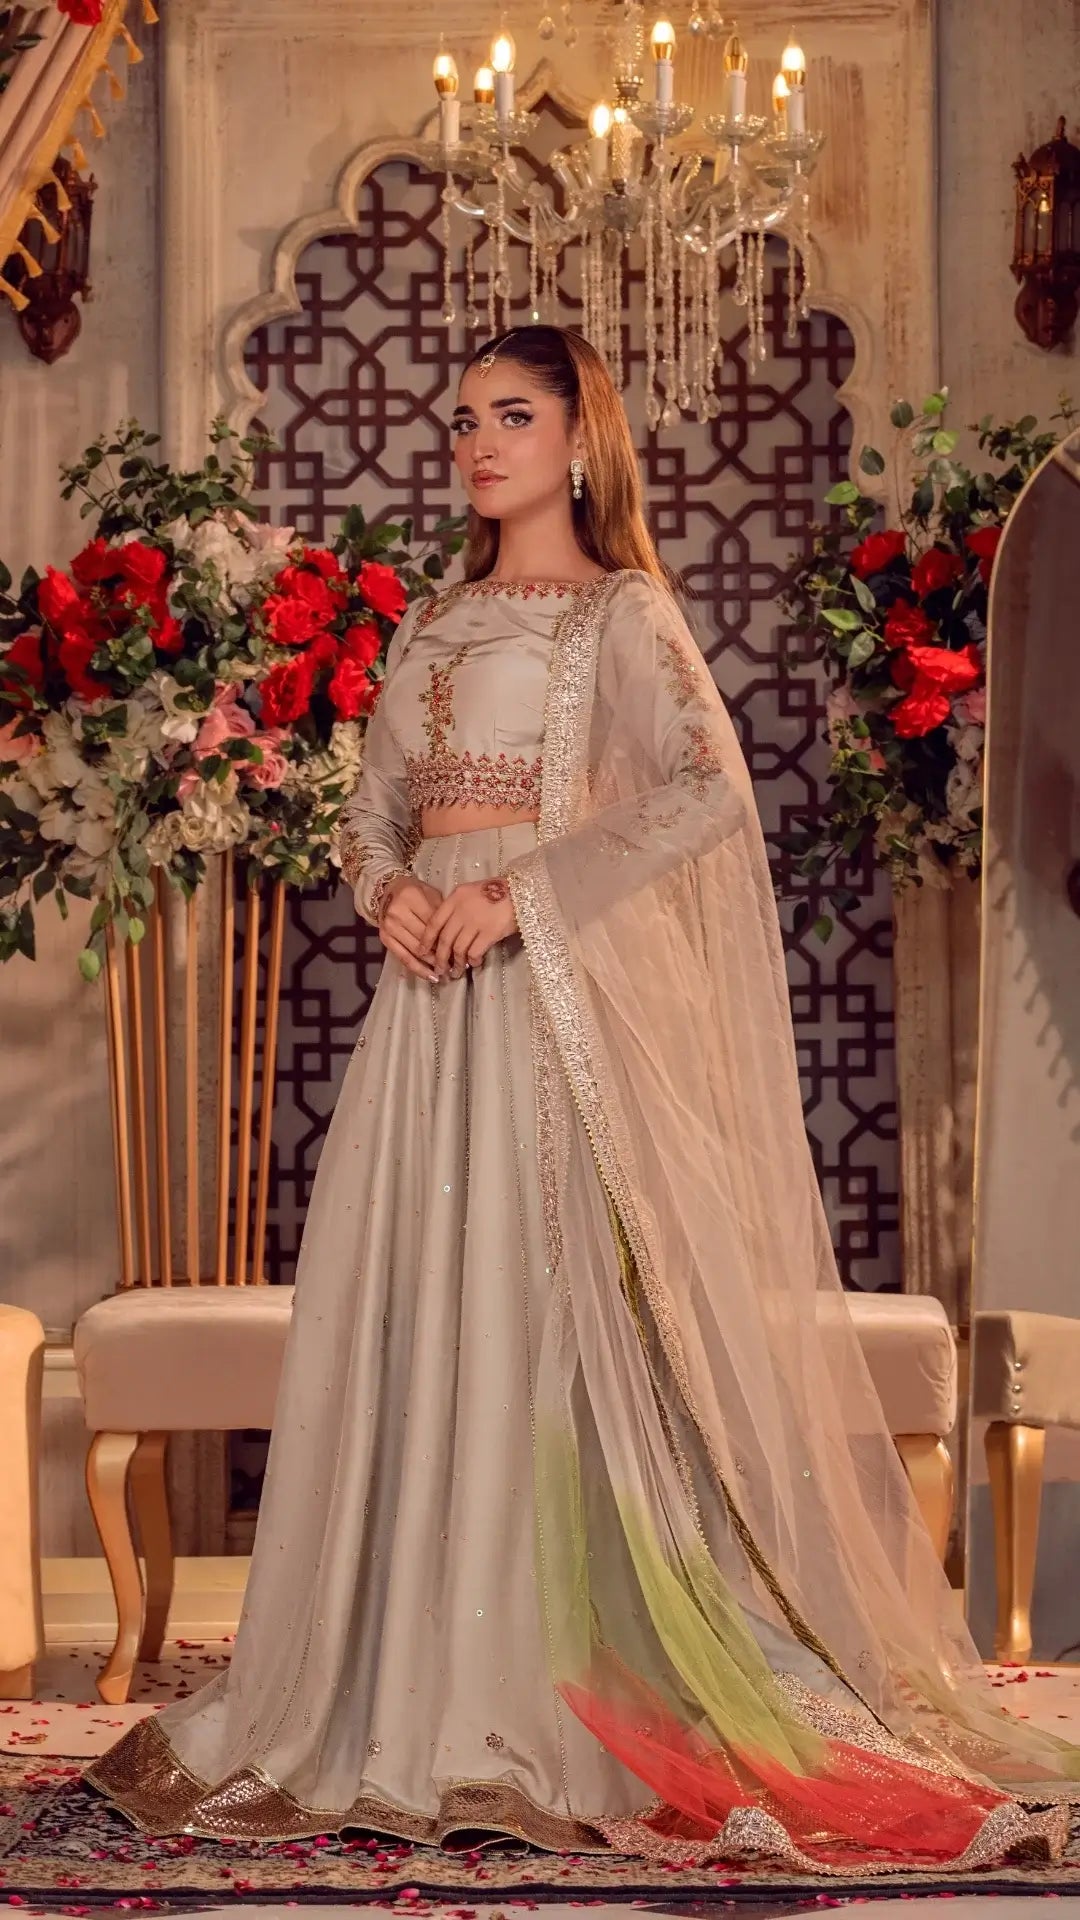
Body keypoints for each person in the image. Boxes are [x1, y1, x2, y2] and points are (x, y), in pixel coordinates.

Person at [89, 326, 1079, 1871]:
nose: (480, 444)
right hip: (426, 1022)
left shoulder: (623, 614)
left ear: (578, 439)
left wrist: (518, 894)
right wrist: (392, 895)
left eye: (513, 415)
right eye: (464, 419)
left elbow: (708, 792)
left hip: (548, 1013)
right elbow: (368, 816)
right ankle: (395, 1678)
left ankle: (549, 1679)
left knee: (535, 1313)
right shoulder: (431, 621)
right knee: (413, 1308)